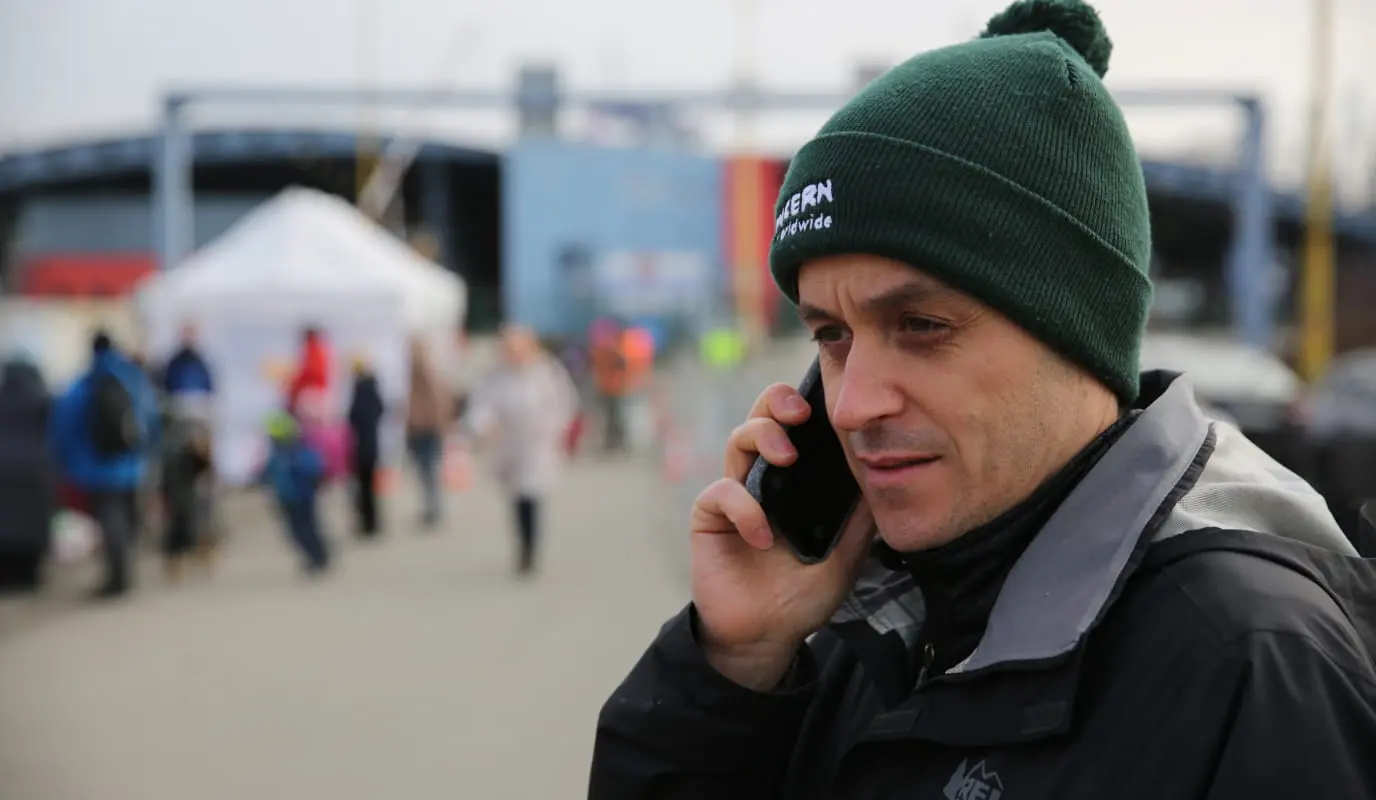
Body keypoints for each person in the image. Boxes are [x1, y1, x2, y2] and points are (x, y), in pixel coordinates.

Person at [589, 2, 1376, 797]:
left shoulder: (1249, 664)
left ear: (1075, 332)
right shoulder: (861, 621)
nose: (852, 404)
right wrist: (734, 669)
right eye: (832, 335)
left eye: (922, 325)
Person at [50, 331, 158, 599]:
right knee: (125, 518)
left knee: (109, 520)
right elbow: (150, 420)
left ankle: (116, 575)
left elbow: (63, 427)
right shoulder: (133, 381)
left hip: (95, 467)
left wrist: (66, 463)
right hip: (131, 466)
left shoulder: (81, 385)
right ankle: (123, 570)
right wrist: (148, 454)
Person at [463, 325, 577, 576]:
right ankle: (522, 545)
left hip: (538, 445)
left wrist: (551, 430)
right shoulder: (495, 376)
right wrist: (483, 427)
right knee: (516, 499)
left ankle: (531, 550)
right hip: (509, 445)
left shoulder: (547, 372)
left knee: (532, 496)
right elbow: (482, 406)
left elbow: (563, 404)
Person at [0, 353, 55, 593]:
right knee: (33, 525)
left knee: (6, 526)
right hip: (35, 469)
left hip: (3, 472)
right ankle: (30, 576)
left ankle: (7, 575)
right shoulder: (42, 400)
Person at [259, 411, 330, 576]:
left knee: (305, 529)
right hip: (290, 499)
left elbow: (314, 471)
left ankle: (318, 557)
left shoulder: (292, 454)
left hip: (299, 498)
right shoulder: (282, 454)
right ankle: (316, 557)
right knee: (302, 530)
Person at [406, 337, 451, 530]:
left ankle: (433, 509)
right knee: (427, 471)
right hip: (422, 427)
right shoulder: (417, 375)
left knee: (428, 471)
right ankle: (432, 508)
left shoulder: (425, 375)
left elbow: (439, 402)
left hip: (426, 427)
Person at [347, 355, 386, 538]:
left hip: (363, 446)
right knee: (368, 486)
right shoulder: (372, 388)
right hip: (371, 444)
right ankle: (372, 522)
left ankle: (369, 523)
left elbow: (355, 418)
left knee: (364, 488)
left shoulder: (362, 389)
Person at [287, 325, 332, 415]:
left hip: (312, 395)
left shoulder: (314, 351)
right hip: (318, 393)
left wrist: (294, 384)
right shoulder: (320, 350)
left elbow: (311, 373)